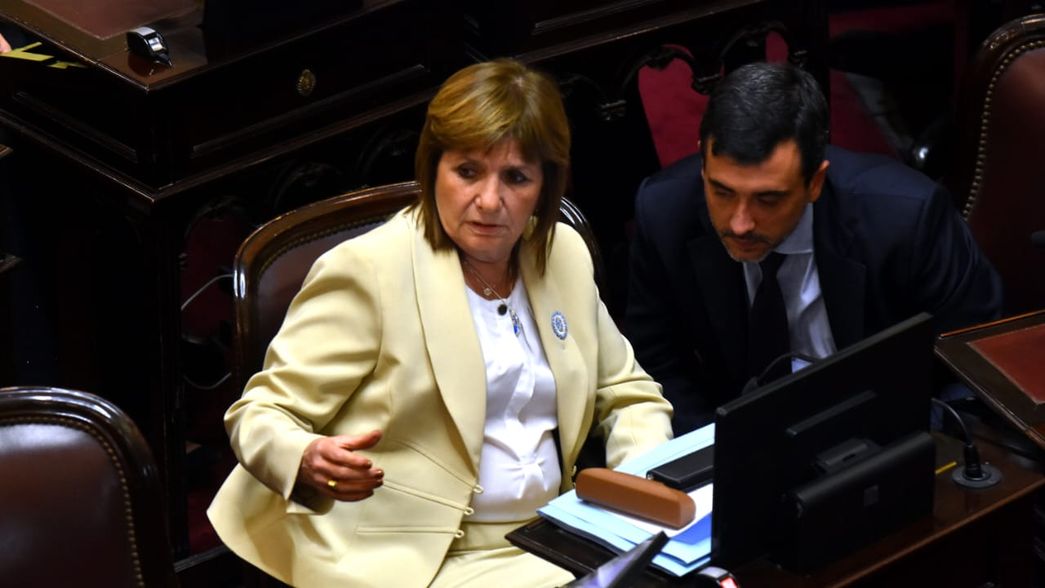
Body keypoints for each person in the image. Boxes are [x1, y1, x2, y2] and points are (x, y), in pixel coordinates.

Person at [208, 59, 673, 587]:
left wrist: (638, 497)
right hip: (421, 558)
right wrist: (305, 456)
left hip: (555, 536)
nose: (490, 201)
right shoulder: (371, 271)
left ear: (545, 187)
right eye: (468, 171)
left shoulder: (561, 252)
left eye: (516, 177)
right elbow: (260, 414)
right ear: (433, 169)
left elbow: (629, 393)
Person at [625, 61, 1002, 435]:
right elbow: (656, 362)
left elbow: (978, 364)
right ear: (703, 165)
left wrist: (896, 449)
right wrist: (718, 453)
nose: (739, 223)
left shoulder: (908, 220)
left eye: (768, 200)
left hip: (881, 442)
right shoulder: (665, 214)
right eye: (721, 192)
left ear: (815, 182)